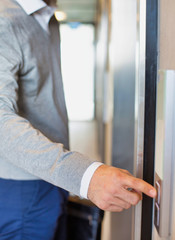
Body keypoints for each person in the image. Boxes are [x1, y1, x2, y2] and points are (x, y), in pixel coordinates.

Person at [0, 0, 156, 239]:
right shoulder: (5, 20)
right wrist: (85, 176)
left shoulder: (48, 18)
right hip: (22, 188)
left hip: (51, 180)